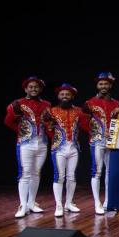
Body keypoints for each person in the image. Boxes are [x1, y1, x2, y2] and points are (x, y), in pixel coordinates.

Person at [4, 76, 51, 218]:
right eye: (30, 87)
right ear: (25, 89)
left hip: (42, 143)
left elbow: (49, 124)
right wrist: (22, 132)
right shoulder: (18, 103)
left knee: (36, 173)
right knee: (25, 174)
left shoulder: (47, 105)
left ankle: (31, 202)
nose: (33, 89)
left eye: (36, 87)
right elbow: (8, 121)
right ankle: (22, 205)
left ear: (40, 89)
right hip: (25, 144)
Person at [83, 71, 119, 215]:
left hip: (112, 142)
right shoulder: (89, 103)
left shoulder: (116, 103)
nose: (103, 86)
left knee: (110, 172)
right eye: (101, 83)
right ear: (97, 85)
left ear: (110, 85)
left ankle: (108, 201)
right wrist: (95, 132)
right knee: (97, 171)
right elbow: (84, 122)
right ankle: (97, 202)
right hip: (97, 141)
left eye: (106, 83)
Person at [47, 83, 83, 217]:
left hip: (74, 147)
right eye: (62, 94)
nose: (65, 96)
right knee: (59, 176)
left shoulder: (79, 111)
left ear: (72, 96)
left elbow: (84, 126)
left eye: (67, 94)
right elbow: (48, 130)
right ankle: (59, 205)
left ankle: (69, 202)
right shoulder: (52, 111)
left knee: (71, 176)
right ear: (58, 96)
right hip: (59, 148)